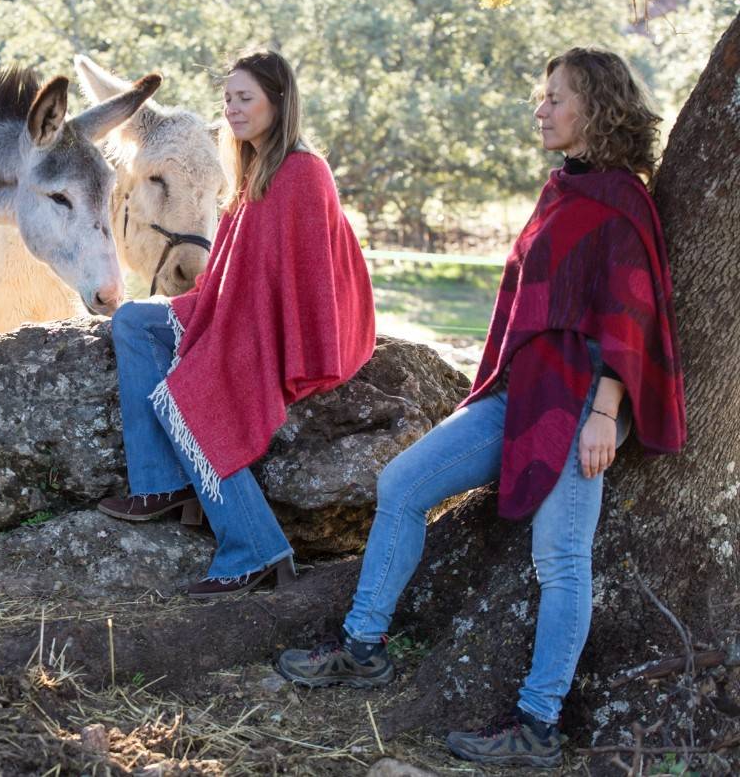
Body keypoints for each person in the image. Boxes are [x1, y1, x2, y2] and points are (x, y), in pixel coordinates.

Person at [276, 48, 687, 767]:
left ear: (595, 107)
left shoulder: (623, 200)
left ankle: (538, 722)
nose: (542, 107)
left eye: (556, 96)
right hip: (520, 394)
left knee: (561, 557)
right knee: (400, 484)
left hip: (582, 401)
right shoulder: (563, 188)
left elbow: (633, 314)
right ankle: (363, 644)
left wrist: (603, 413)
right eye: (543, 95)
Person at [96, 49, 376, 599]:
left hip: (277, 324)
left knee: (191, 397)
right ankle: (161, 484)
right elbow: (237, 268)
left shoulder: (302, 172)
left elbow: (308, 281)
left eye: (245, 98)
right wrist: (220, 312)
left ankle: (255, 549)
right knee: (132, 321)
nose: (233, 109)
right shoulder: (253, 170)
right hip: (235, 306)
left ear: (278, 100)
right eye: (227, 99)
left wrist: (235, 338)